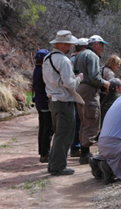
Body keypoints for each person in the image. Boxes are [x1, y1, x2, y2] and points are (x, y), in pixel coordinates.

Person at [42, 30, 84, 176]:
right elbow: (70, 84)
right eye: (69, 44)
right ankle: (58, 167)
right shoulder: (64, 61)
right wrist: (79, 78)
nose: (71, 46)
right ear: (65, 45)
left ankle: (54, 164)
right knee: (65, 134)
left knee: (59, 134)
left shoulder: (47, 58)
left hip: (53, 100)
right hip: (63, 101)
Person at [74, 35, 110, 164]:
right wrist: (105, 83)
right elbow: (94, 76)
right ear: (96, 44)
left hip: (79, 90)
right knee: (91, 120)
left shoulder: (79, 55)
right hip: (89, 91)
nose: (103, 48)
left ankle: (84, 151)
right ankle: (84, 154)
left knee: (84, 121)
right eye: (102, 45)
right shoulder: (92, 56)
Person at [32, 49, 52, 163]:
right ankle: (45, 154)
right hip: (45, 102)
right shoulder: (43, 71)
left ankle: (42, 151)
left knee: (43, 127)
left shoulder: (36, 69)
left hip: (39, 102)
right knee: (48, 128)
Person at [69, 38, 88, 158]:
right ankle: (76, 147)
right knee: (78, 122)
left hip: (73, 94)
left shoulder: (71, 59)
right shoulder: (77, 60)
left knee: (77, 122)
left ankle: (75, 147)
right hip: (77, 94)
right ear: (83, 48)